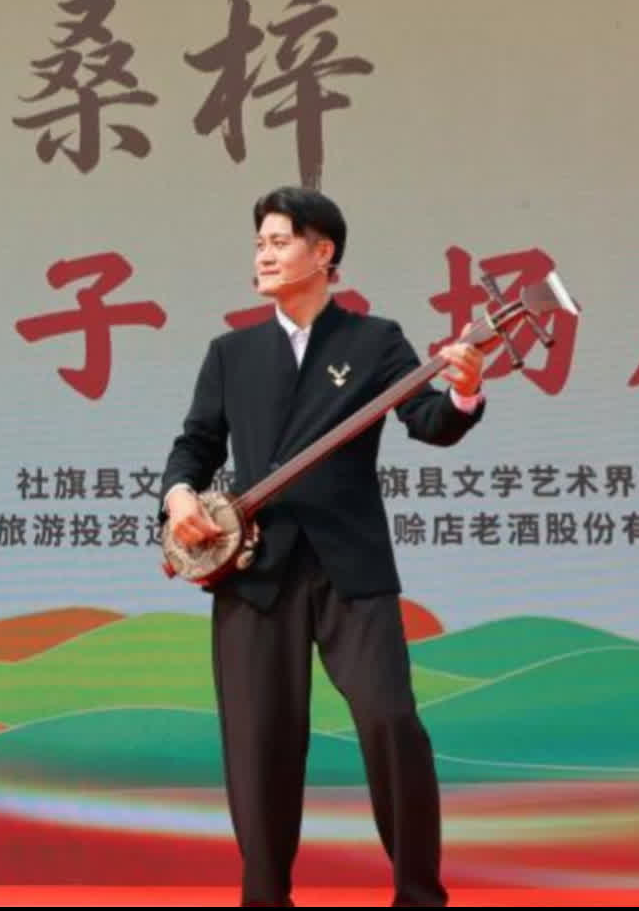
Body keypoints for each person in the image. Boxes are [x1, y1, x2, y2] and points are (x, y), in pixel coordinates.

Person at [162, 186, 485, 908]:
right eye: (259, 244)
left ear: (323, 252)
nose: (264, 255)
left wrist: (463, 392)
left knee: (390, 719)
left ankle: (418, 896)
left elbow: (428, 420)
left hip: (350, 566)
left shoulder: (375, 341)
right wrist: (180, 495)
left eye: (279, 241)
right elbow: (196, 445)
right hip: (254, 570)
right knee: (259, 743)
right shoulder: (232, 353)